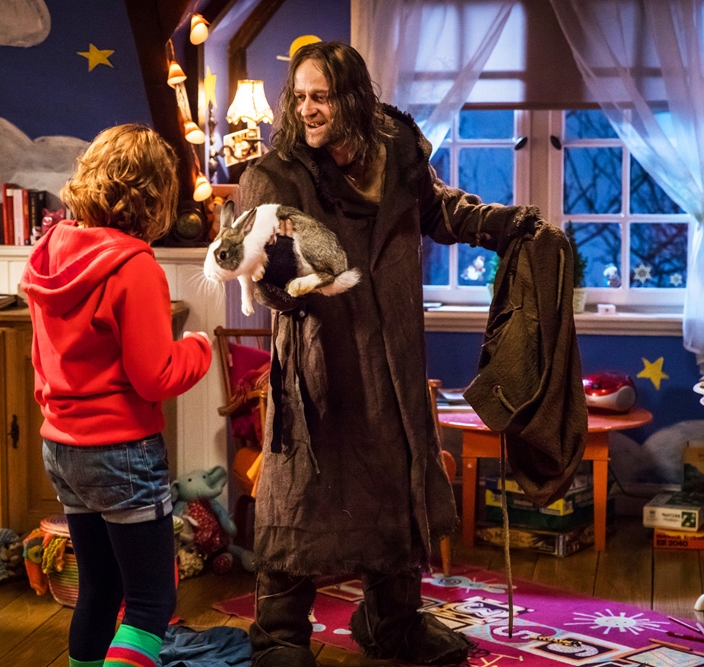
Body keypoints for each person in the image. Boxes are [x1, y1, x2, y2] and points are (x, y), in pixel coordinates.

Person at [238, 41, 541, 666]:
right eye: (300, 97)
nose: (307, 109)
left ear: (353, 99)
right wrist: (277, 273)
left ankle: (392, 621)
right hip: (321, 361)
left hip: (393, 356)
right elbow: (266, 277)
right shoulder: (278, 175)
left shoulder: (398, 153)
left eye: (321, 97)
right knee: (302, 492)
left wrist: (503, 224)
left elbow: (439, 209)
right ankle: (279, 635)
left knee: (398, 479)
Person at [21, 123, 212, 667]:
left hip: (62, 447)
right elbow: (155, 376)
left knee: (98, 592)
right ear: (156, 194)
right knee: (151, 603)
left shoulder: (50, 249)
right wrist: (197, 348)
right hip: (122, 450)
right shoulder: (135, 266)